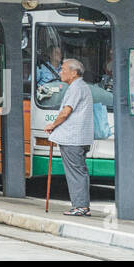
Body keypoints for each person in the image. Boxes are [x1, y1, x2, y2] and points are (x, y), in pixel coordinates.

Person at [44, 58, 95, 217]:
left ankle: (80, 206)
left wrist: (52, 125)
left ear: (73, 73)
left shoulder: (76, 88)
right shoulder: (81, 87)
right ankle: (81, 205)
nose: (60, 72)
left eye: (63, 69)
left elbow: (66, 111)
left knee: (75, 172)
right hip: (80, 137)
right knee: (79, 171)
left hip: (73, 138)